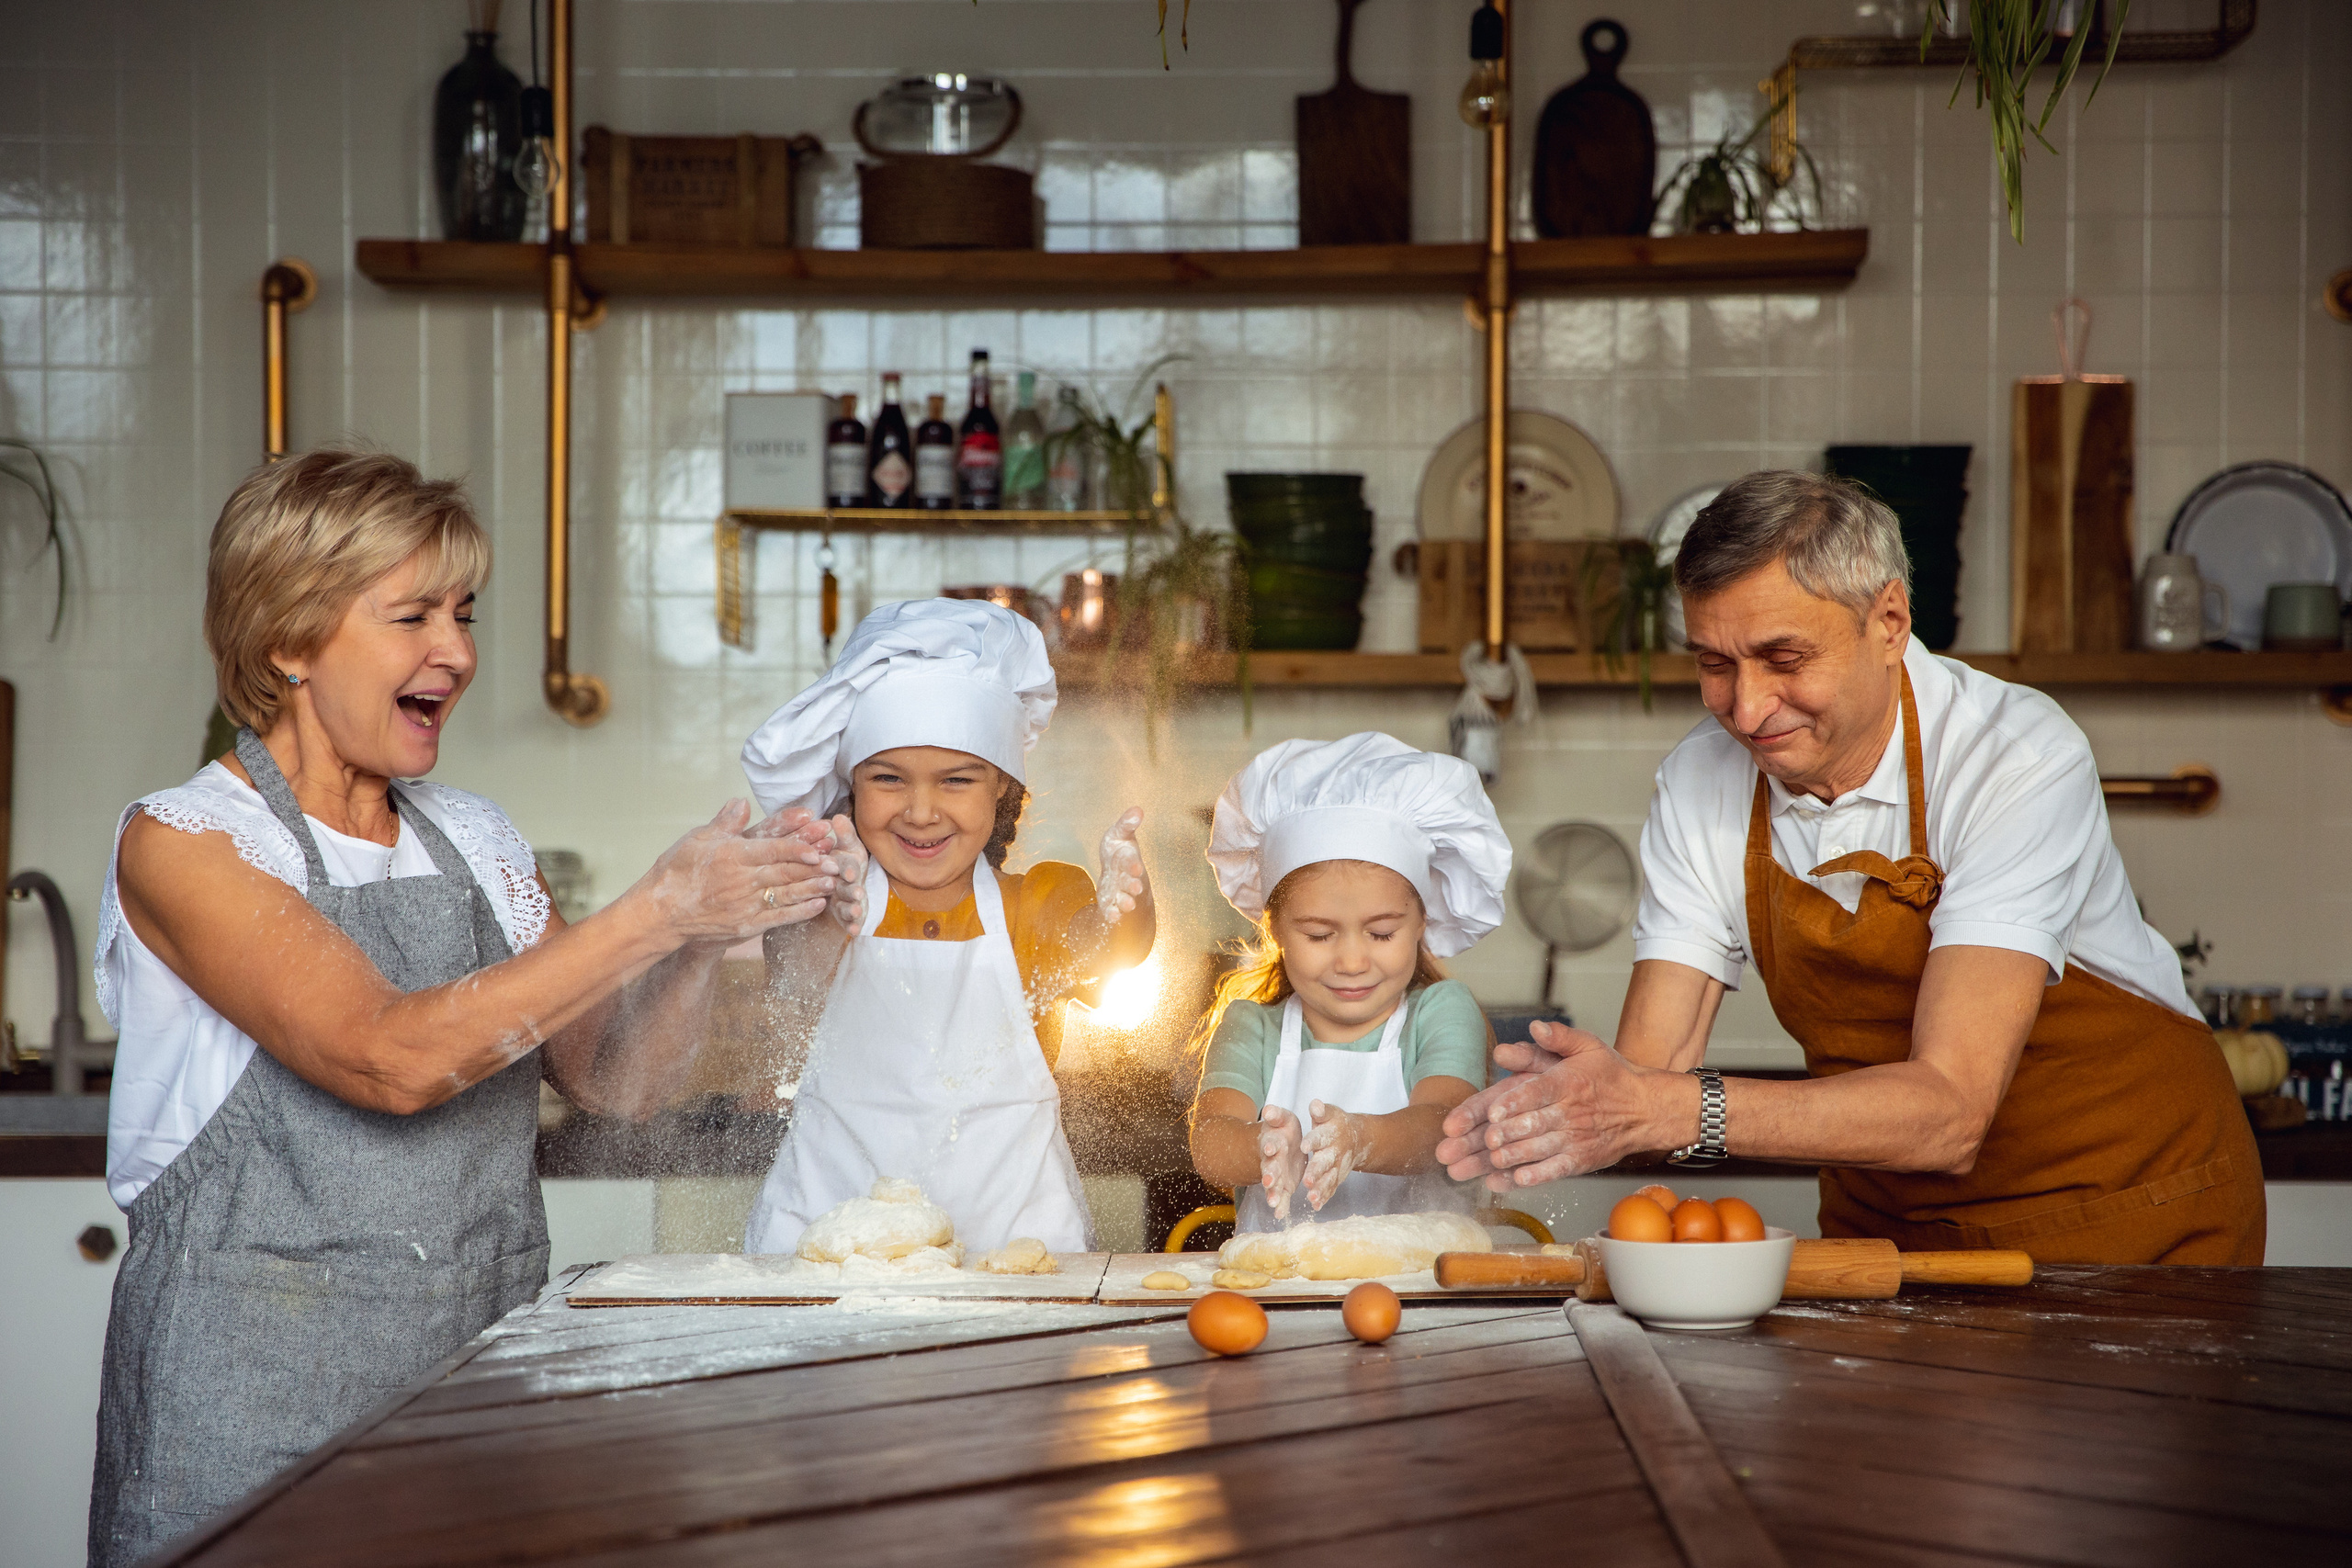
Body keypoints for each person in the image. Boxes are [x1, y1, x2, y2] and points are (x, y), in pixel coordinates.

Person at [87, 450, 842, 1566]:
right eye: (412, 617)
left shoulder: (475, 837)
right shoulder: (186, 841)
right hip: (245, 1426)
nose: (458, 652)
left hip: (468, 1402)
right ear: (288, 640)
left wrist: (702, 931)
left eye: (463, 611)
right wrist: (655, 908)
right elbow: (388, 1059)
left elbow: (616, 1080)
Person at [1437, 469, 2264, 1265]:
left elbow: (1949, 1112)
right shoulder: (1701, 779)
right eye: (1714, 664)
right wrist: (1555, 1109)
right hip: (1888, 1236)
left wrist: (1662, 1106)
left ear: (1890, 622)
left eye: (1784, 659)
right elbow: (1648, 1076)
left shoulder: (2015, 757)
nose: (1748, 710)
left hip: (2128, 1215)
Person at [738, 598, 1155, 1257]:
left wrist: (1123, 904)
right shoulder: (826, 901)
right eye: (888, 779)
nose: (922, 810)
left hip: (1012, 1257)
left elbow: (1107, 951)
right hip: (828, 1253)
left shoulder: (1034, 903)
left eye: (956, 779)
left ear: (1002, 791)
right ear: (852, 787)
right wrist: (832, 908)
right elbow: (793, 980)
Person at [1188, 733, 1510, 1227]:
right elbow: (1211, 1141)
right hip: (1278, 1291)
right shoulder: (1252, 1027)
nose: (1353, 961)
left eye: (1381, 933)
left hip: (1426, 1291)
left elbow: (1443, 1127)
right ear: (1273, 929)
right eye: (1319, 935)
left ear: (1421, 923)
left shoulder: (1442, 1011)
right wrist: (1266, 1147)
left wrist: (1357, 1138)